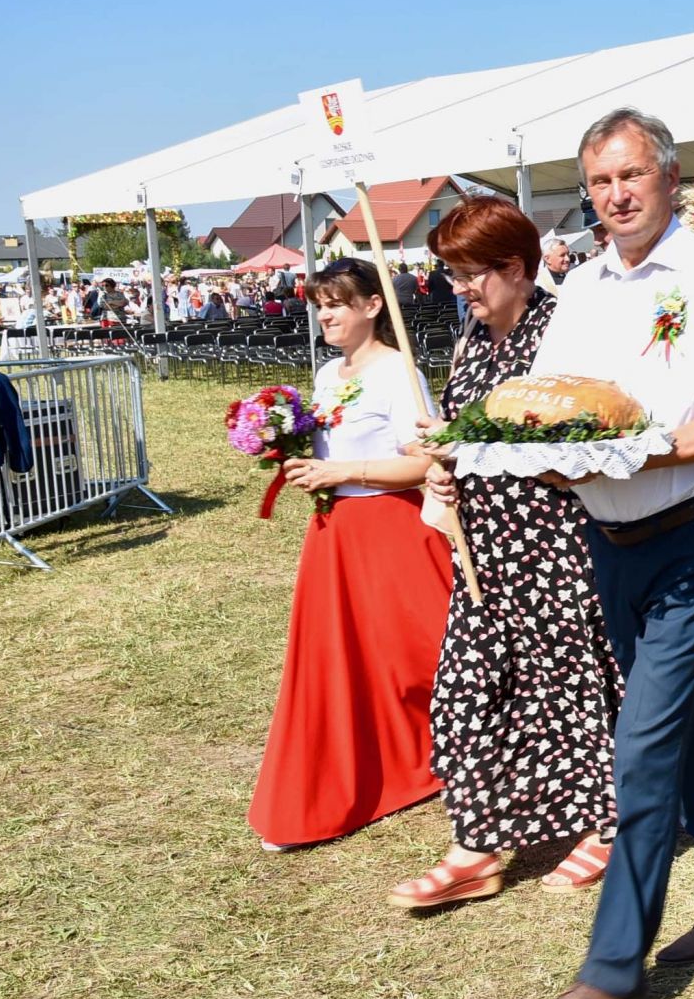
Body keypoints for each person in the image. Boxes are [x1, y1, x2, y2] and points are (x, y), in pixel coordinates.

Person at [519, 108, 694, 999]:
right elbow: (548, 408)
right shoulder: (581, 287)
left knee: (642, 749)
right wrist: (522, 451)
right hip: (612, 543)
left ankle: (610, 969)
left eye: (631, 176)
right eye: (599, 182)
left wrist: (649, 453)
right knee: (691, 721)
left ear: (671, 180)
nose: (617, 196)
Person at [388, 196, 623, 910]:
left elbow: (583, 433)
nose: (458, 288)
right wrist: (442, 462)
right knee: (464, 694)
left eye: (469, 274)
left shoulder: (563, 332)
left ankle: (608, 825)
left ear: (516, 268)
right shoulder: (471, 336)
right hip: (484, 550)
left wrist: (477, 445)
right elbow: (466, 432)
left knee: (574, 691)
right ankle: (476, 845)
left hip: (556, 544)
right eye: (453, 273)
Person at [248, 258, 452, 849]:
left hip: (391, 528)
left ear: (372, 305)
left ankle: (443, 752)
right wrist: (277, 441)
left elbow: (422, 461)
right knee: (341, 661)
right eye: (320, 303)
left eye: (338, 302)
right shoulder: (326, 374)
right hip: (333, 532)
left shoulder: (400, 373)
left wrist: (344, 469)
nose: (327, 313)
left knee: (416, 654)